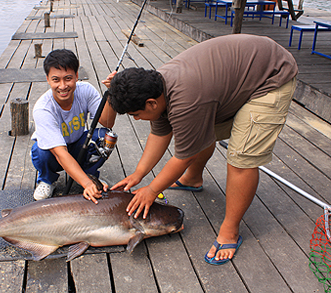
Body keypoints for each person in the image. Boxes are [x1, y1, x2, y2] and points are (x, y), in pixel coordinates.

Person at [102, 34, 298, 265]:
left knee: (241, 158)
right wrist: (138, 174)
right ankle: (193, 179)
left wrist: (152, 190)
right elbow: (159, 133)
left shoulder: (186, 101)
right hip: (238, 73)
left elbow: (185, 155)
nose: (136, 119)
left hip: (270, 77)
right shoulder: (156, 89)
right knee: (200, 134)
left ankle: (230, 229)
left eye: (136, 114)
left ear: (151, 104)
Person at [31, 49, 116, 201]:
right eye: (56, 80)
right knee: (40, 149)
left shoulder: (86, 91)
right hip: (54, 153)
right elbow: (60, 153)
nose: (63, 86)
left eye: (68, 78)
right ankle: (46, 180)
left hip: (77, 145)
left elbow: (107, 122)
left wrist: (113, 93)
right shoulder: (43, 108)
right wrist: (86, 184)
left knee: (104, 137)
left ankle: (89, 173)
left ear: (77, 76)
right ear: (48, 79)